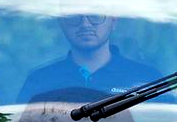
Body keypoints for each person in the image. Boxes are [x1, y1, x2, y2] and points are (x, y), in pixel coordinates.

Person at [17, 10, 145, 106]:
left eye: (95, 15)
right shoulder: (38, 81)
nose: (85, 24)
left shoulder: (145, 80)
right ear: (61, 23)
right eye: (74, 16)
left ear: (113, 20)